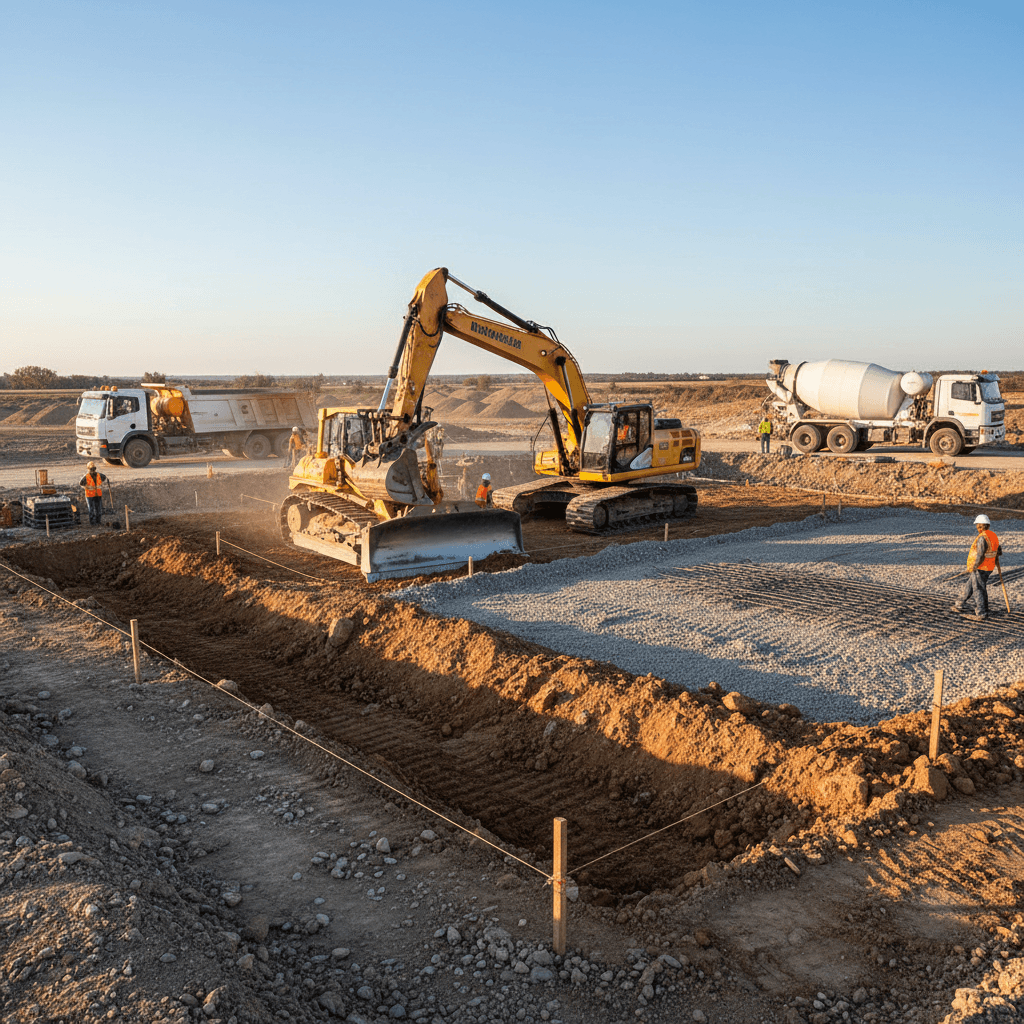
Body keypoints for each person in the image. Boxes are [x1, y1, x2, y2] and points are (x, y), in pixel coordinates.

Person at [952, 514, 1001, 621]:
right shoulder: (993, 535)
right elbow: (999, 551)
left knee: (978, 588)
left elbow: (980, 555)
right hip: (989, 567)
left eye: (978, 525)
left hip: (981, 568)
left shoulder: (982, 538)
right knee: (970, 584)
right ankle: (959, 603)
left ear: (979, 526)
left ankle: (982, 612)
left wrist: (974, 566)